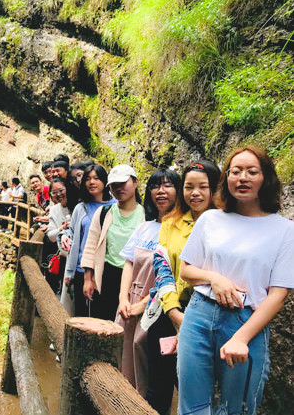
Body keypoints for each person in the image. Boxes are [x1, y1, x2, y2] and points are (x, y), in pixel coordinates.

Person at [177, 146, 294, 415]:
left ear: (266, 179)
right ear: (226, 178)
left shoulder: (285, 230)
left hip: (246, 321)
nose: (242, 178)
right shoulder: (210, 219)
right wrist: (214, 278)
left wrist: (241, 338)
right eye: (236, 171)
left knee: (238, 408)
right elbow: (186, 270)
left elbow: (278, 294)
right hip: (199, 315)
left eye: (252, 172)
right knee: (192, 407)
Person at [143, 160, 220, 415]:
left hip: (208, 316)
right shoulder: (170, 222)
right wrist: (174, 313)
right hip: (168, 310)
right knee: (159, 385)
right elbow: (162, 267)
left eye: (203, 187)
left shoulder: (226, 226)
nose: (195, 193)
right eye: (189, 187)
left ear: (215, 188)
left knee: (197, 389)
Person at [115, 168, 180, 397]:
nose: (161, 191)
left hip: (156, 308)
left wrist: (143, 305)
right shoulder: (144, 227)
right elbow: (129, 263)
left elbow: (175, 277)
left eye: (168, 185)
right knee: (124, 360)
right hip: (129, 305)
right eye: (155, 186)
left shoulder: (181, 230)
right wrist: (123, 299)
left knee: (150, 370)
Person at [81, 164, 144, 321]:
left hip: (134, 276)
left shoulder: (146, 215)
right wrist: (88, 279)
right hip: (107, 274)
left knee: (127, 320)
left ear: (135, 182)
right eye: (114, 185)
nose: (118, 188)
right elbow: (91, 246)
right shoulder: (104, 213)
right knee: (102, 321)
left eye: (123, 183)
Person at [61, 164, 116, 317]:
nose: (92, 182)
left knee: (104, 315)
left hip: (106, 268)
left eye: (96, 178)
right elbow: (73, 234)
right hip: (81, 269)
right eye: (88, 179)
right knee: (82, 314)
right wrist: (64, 235)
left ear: (105, 181)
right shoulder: (81, 208)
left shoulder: (116, 206)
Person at [46, 177, 71, 294]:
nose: (58, 194)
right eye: (54, 192)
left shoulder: (78, 206)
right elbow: (51, 236)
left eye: (61, 190)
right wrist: (61, 229)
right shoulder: (54, 210)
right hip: (64, 257)